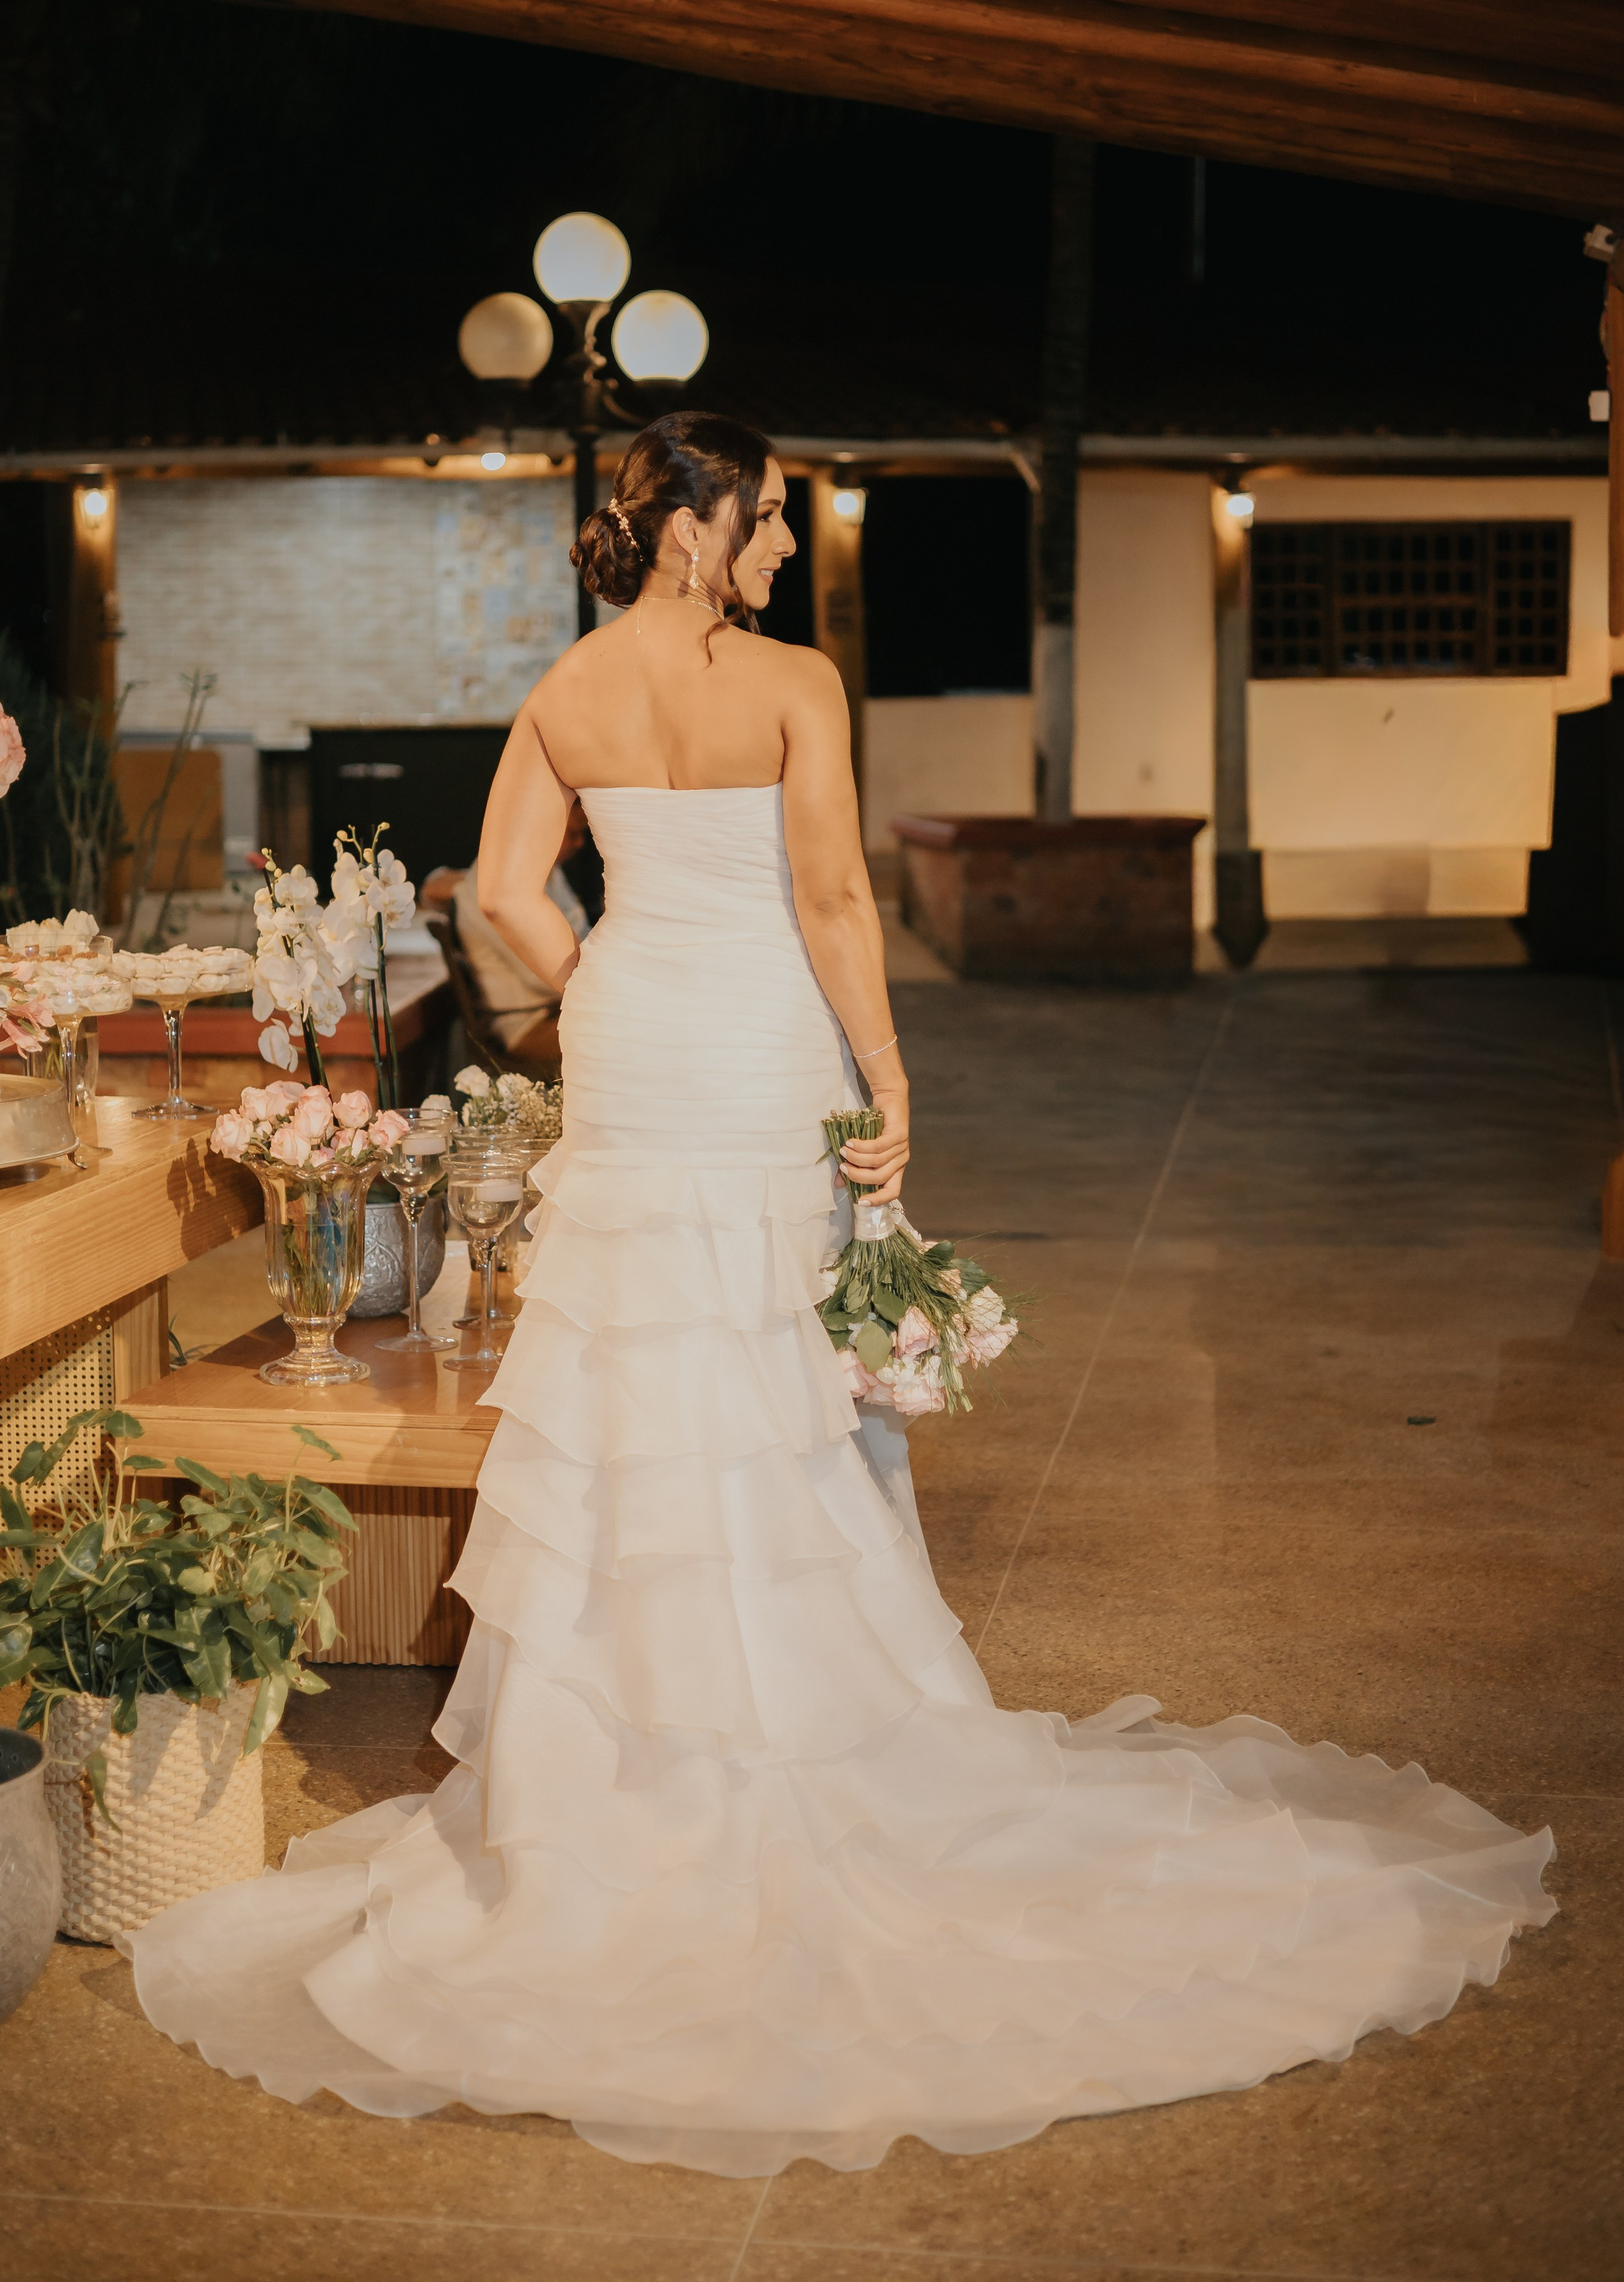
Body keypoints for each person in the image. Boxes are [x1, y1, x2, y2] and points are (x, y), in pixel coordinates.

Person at [124, 410, 1554, 2177]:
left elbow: (500, 888)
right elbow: (829, 890)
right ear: (692, 532)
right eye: (772, 520)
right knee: (774, 1368)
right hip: (757, 1043)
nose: (791, 549)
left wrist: (598, 986)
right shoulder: (795, 684)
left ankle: (615, 1779)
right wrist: (887, 1077)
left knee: (639, 1369)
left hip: (645, 1036)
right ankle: (801, 1722)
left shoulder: (566, 684)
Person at [445, 797, 592, 1058]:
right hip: (527, 1025)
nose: (580, 844)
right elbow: (546, 978)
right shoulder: (495, 885)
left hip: (563, 1010)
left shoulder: (549, 870)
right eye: (573, 834)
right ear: (543, 826)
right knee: (632, 1034)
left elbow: (582, 933)